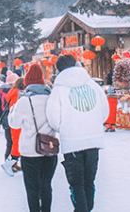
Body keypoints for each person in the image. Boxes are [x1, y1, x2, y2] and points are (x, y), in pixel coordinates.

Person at [46, 55, 109, 212]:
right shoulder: (93, 85)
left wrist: (64, 128)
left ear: (59, 69)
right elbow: (105, 112)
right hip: (94, 140)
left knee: (76, 183)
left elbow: (53, 118)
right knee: (89, 181)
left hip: (72, 142)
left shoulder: (59, 89)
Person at [9, 63, 57, 212]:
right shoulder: (52, 98)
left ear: (27, 83)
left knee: (32, 189)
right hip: (49, 149)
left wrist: (12, 110)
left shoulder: (24, 101)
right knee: (46, 186)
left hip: (29, 152)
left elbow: (14, 124)